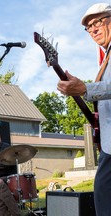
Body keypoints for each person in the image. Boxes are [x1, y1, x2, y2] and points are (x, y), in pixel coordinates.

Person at [57, 3, 111, 216]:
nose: (93, 29)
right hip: (107, 142)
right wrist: (81, 88)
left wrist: (86, 88)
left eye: (98, 22)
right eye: (88, 27)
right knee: (103, 195)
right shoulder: (106, 57)